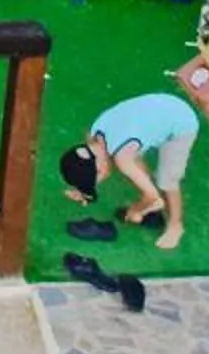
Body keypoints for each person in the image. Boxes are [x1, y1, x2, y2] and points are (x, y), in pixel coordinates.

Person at [62, 91, 198, 250]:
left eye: (96, 180)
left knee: (167, 180)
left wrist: (136, 210)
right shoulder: (93, 135)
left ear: (99, 170)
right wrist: (85, 191)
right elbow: (97, 164)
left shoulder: (122, 157)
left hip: (181, 122)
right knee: (133, 164)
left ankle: (176, 225)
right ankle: (147, 187)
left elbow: (153, 198)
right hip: (159, 107)